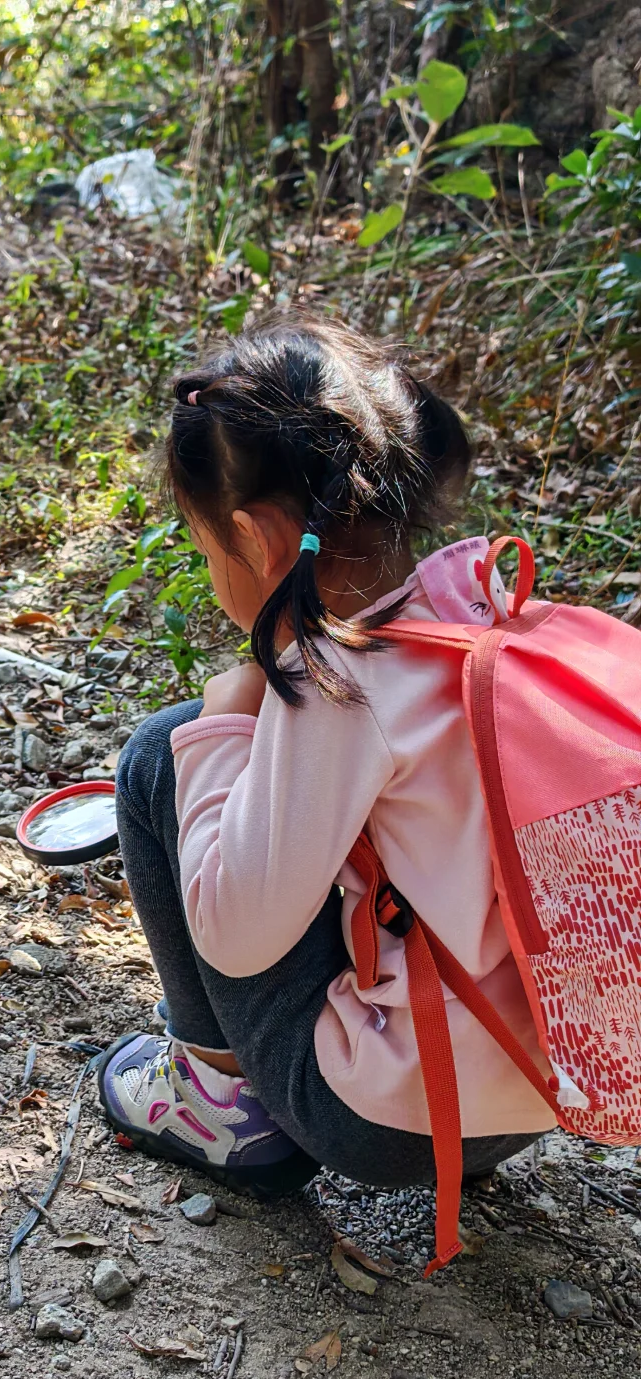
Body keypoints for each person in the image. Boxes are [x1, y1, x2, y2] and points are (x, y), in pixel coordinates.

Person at [98, 312, 555, 1200]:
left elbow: (235, 935)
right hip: (544, 1085)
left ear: (261, 539)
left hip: (395, 1125)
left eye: (207, 551)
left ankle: (217, 1100)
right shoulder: (483, 613)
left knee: (161, 752)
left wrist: (230, 719)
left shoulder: (337, 688)